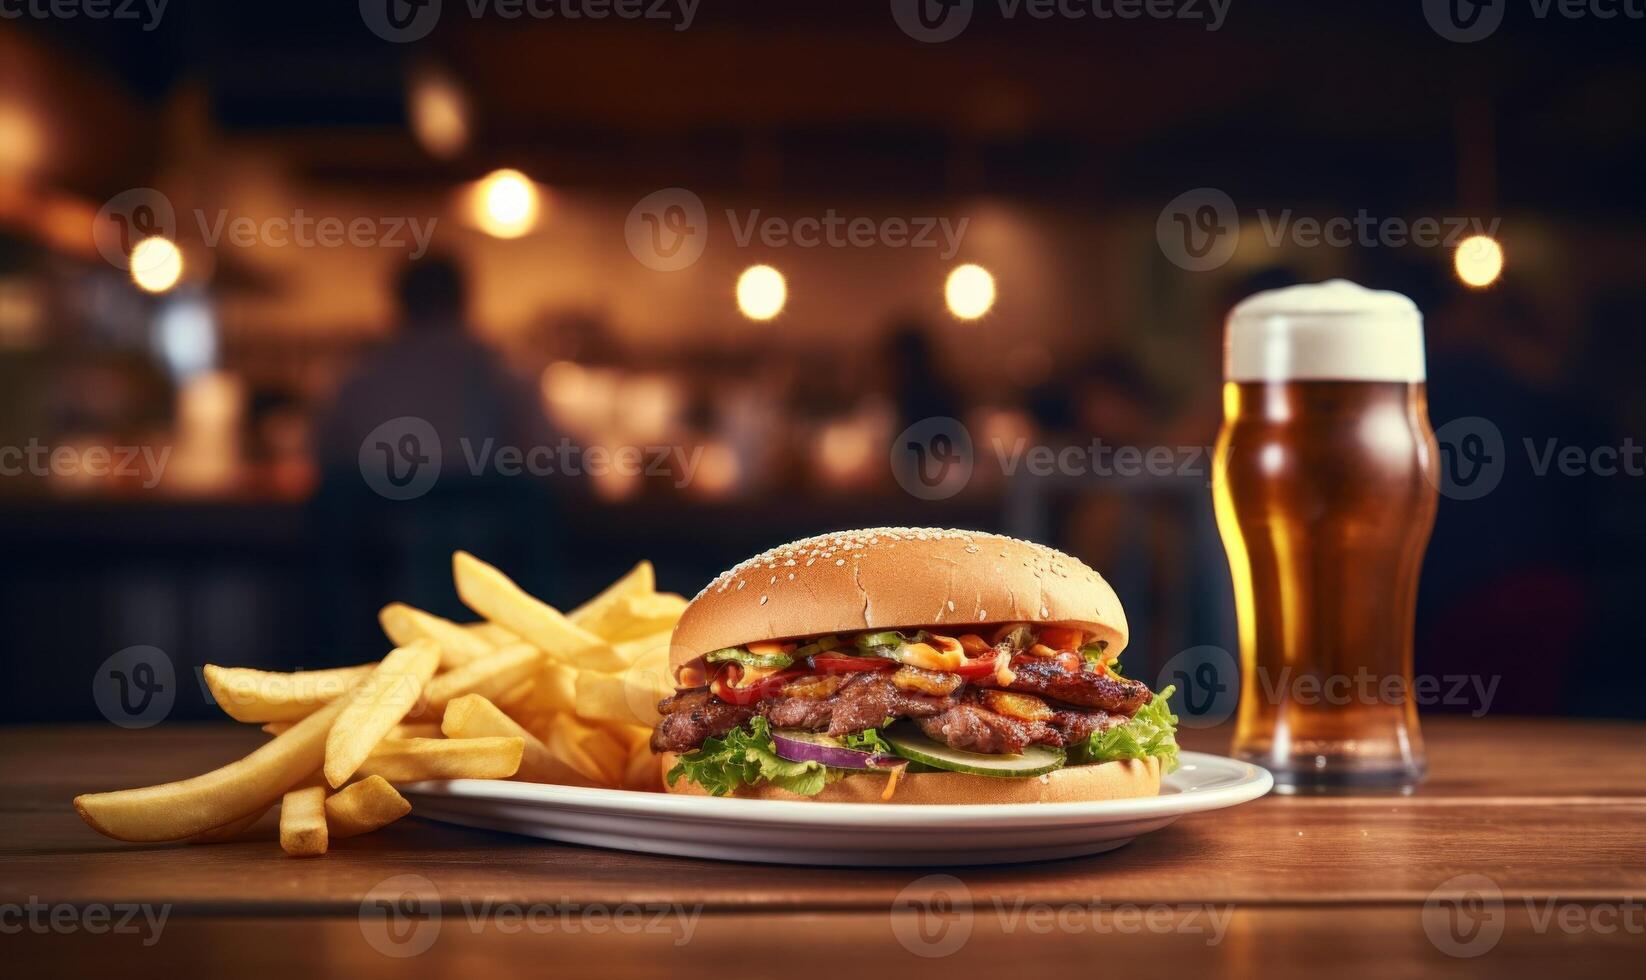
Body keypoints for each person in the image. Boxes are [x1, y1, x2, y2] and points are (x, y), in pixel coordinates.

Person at [311, 254, 559, 658]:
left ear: (396, 303)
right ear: (466, 301)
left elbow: (324, 459)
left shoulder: (360, 378)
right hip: (498, 585)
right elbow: (563, 462)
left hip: (376, 587)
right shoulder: (504, 374)